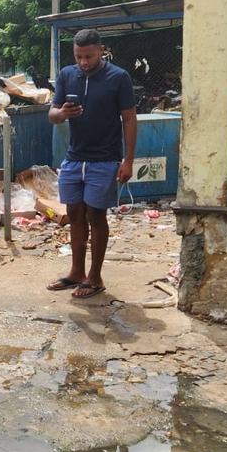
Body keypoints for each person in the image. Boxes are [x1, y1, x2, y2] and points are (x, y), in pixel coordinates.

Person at [46, 29, 137, 299]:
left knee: (96, 216)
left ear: (101, 50)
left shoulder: (118, 77)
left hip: (105, 160)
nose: (83, 62)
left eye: (88, 56)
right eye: (78, 56)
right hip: (74, 158)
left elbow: (129, 120)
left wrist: (128, 160)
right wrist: (61, 113)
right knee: (74, 215)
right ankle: (76, 272)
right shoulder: (66, 75)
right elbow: (52, 115)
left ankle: (95, 277)